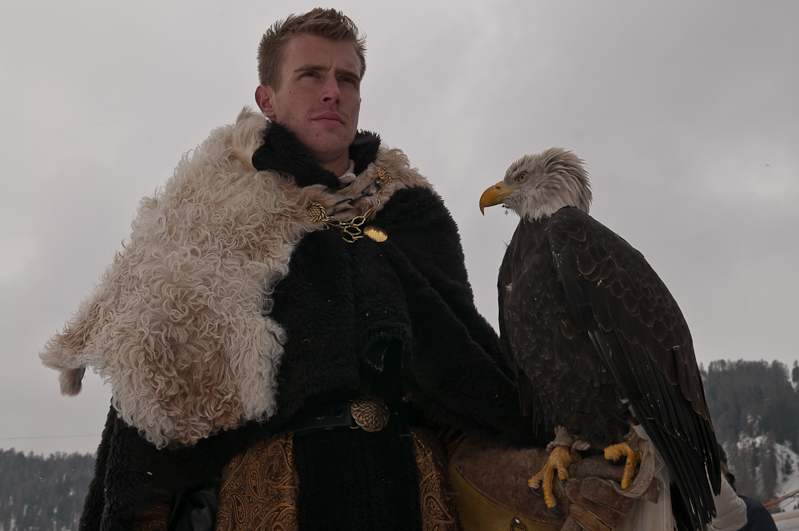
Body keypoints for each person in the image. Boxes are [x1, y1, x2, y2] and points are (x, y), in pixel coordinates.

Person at [42, 9, 534, 530]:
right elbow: (158, 403)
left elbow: (463, 383)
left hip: (415, 495)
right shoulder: (206, 217)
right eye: (310, 75)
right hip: (270, 500)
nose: (332, 92)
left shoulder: (413, 215)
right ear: (267, 100)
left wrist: (528, 465)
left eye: (347, 79)